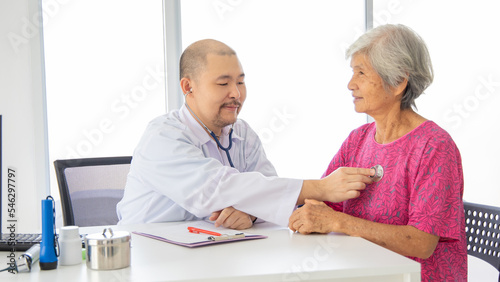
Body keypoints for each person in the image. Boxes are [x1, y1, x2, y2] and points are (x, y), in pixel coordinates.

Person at [117, 39, 374, 230]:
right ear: (188, 87)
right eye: (223, 83)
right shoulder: (162, 137)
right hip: (147, 257)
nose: (236, 94)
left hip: (210, 254)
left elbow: (266, 186)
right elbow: (215, 189)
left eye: (240, 82)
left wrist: (250, 214)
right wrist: (321, 188)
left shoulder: (242, 134)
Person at [288, 24, 467, 281]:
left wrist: (339, 222)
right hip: (362, 273)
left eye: (361, 73)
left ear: (398, 83)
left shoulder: (434, 147)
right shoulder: (357, 140)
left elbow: (421, 242)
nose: (351, 84)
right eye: (352, 72)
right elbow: (323, 203)